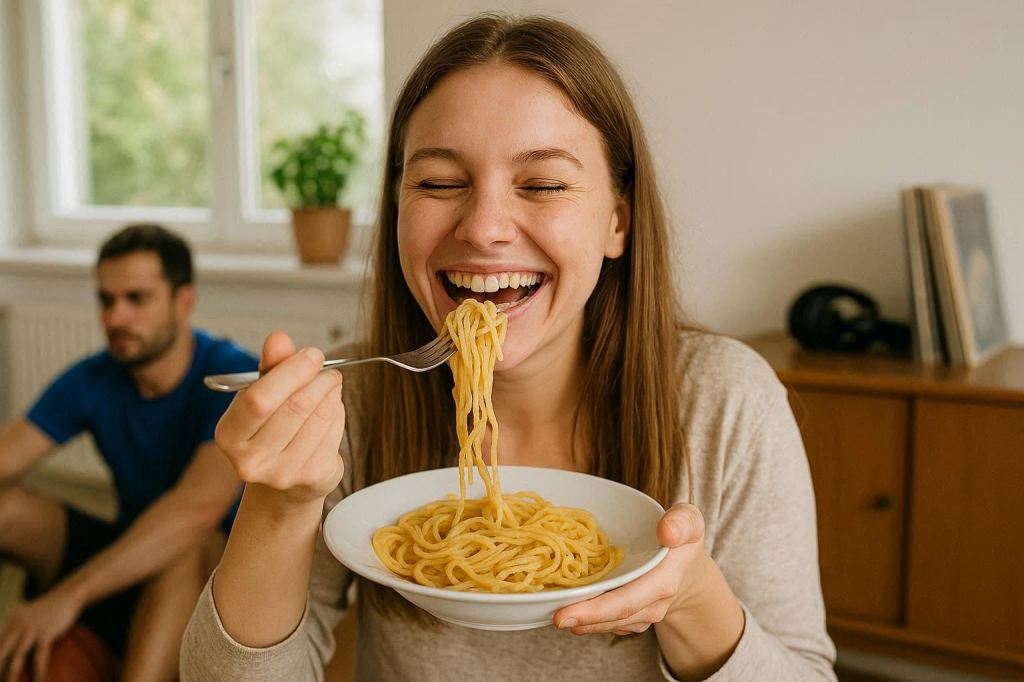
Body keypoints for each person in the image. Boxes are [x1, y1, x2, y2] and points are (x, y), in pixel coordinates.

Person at [182, 14, 837, 681]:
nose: (486, 228)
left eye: (544, 185)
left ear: (618, 218)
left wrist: (695, 600)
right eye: (439, 183)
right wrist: (279, 505)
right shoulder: (354, 402)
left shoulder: (726, 402)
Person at [0, 224, 257, 681]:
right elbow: (8, 455)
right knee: (7, 511)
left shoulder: (229, 376)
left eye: (136, 299)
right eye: (106, 300)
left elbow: (197, 510)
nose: (116, 318)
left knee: (186, 543)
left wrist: (67, 597)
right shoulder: (94, 377)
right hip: (129, 555)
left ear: (184, 301)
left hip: (210, 580)